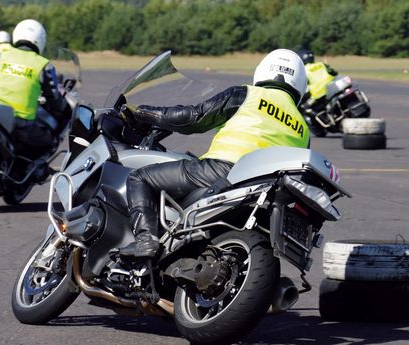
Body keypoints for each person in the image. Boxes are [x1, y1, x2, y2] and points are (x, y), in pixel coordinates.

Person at [111, 49, 310, 258]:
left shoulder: (247, 94)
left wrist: (142, 113)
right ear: (300, 85)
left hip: (222, 170)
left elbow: (192, 118)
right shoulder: (302, 127)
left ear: (263, 71)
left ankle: (145, 241)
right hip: (263, 184)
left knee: (140, 177)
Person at [0, 19, 70, 150]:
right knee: (48, 142)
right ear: (41, 40)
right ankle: (25, 169)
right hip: (21, 118)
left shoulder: (3, 55)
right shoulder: (43, 64)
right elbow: (53, 97)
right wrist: (63, 106)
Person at [297, 48, 338, 118]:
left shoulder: (303, 71)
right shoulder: (321, 64)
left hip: (318, 94)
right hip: (333, 88)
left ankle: (323, 123)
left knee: (305, 109)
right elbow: (334, 72)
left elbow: (303, 87)